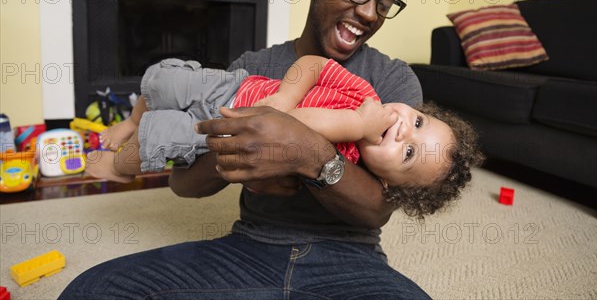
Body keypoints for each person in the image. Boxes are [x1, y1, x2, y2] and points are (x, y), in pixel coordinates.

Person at [59, 0, 476, 299]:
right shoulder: (252, 67)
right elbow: (184, 185)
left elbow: (376, 210)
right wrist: (242, 158)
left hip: (349, 258)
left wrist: (305, 154)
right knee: (93, 290)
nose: (369, 13)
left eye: (384, 4)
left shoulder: (391, 83)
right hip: (250, 248)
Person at [89, 54, 480, 218]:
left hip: (220, 134)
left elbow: (293, 130)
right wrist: (285, 93)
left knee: (158, 141)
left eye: (408, 152)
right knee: (161, 81)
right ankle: (129, 121)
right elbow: (313, 65)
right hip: (232, 90)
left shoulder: (347, 161)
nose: (401, 128)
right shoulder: (366, 96)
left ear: (385, 182)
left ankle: (119, 166)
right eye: (418, 123)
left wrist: (358, 127)